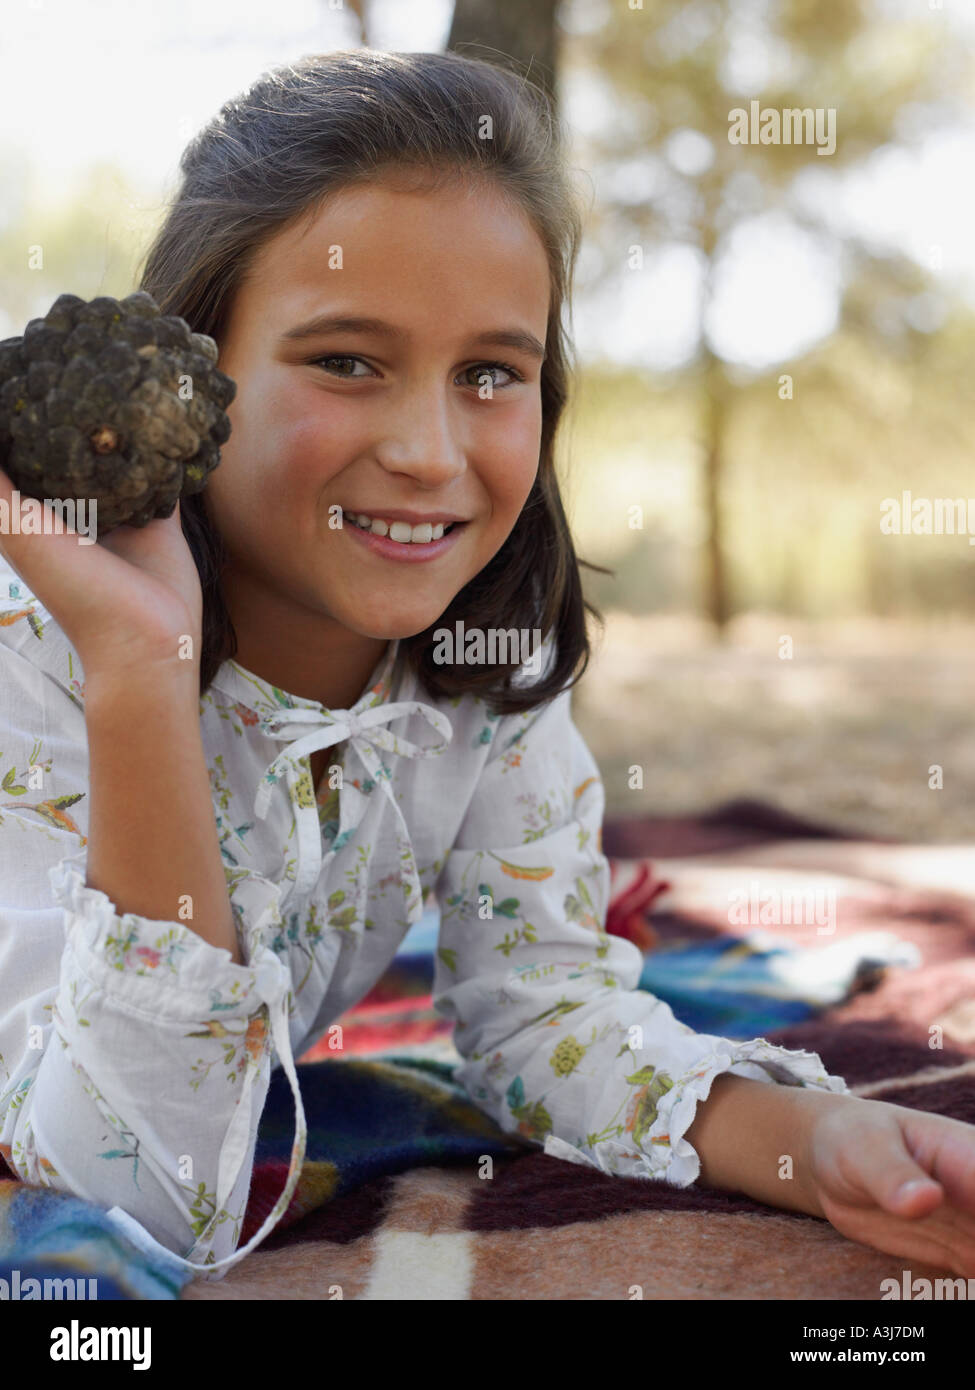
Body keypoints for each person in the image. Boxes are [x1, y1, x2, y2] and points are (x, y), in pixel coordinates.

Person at [1, 50, 972, 1286]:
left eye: (490, 374)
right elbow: (135, 1192)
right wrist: (141, 675)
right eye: (348, 361)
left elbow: (543, 1011)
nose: (427, 450)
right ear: (187, 378)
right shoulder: (39, 657)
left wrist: (814, 1139)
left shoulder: (479, 672)